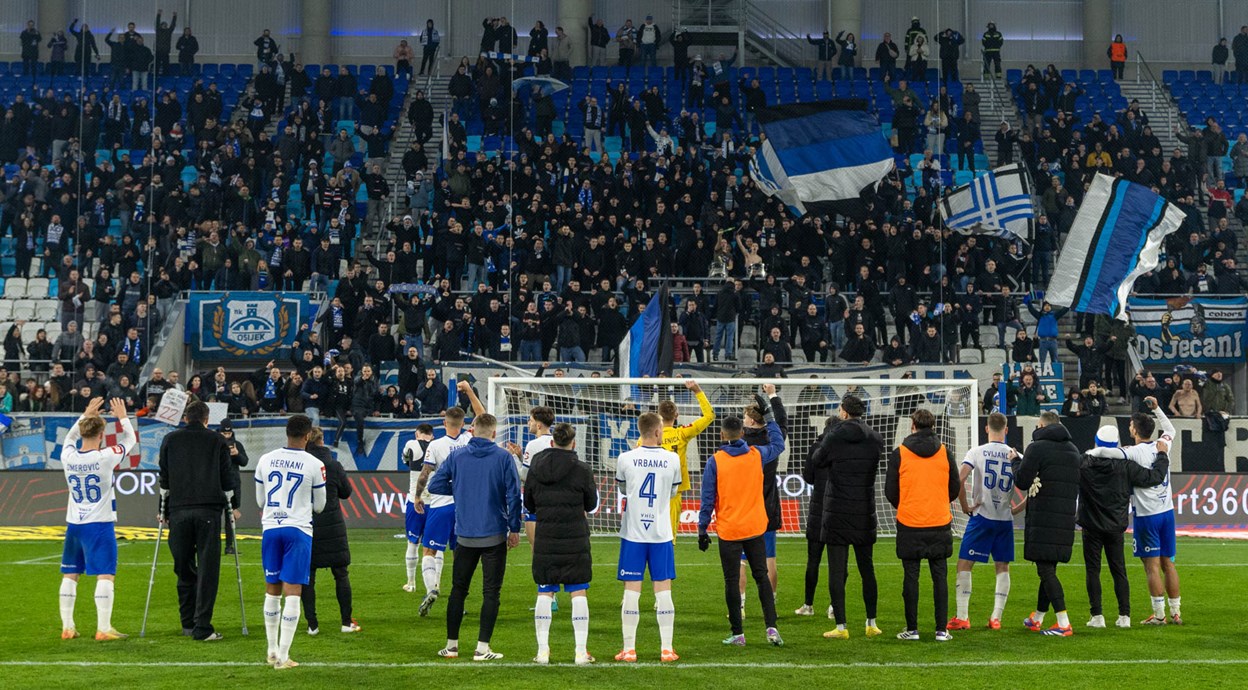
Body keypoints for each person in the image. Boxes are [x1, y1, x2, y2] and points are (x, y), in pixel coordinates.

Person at [428, 413, 522, 661]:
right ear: (493, 433)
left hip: (465, 535)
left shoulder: (457, 455)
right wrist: (515, 528)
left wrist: (459, 486)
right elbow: (514, 495)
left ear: (472, 430)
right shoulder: (503, 457)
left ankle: (452, 646)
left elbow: (434, 485)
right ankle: (482, 648)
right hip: (494, 534)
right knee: (491, 592)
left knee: (458, 590)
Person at [1085, 397, 1181, 625]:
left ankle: (1159, 615)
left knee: (1152, 567)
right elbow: (1170, 428)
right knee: (1169, 563)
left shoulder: (1134, 452)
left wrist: (1090, 452)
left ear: (1135, 430)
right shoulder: (1163, 444)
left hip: (1148, 517)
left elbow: (1108, 453)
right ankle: (1176, 611)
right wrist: (1157, 407)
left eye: (1130, 425)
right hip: (1167, 512)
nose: (1129, 428)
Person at [698, 401, 787, 648]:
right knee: (761, 577)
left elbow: (707, 499)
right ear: (743, 433)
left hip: (729, 530)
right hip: (755, 527)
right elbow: (779, 444)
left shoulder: (715, 461)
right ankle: (772, 629)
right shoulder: (756, 455)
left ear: (722, 435)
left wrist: (702, 529)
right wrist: (769, 417)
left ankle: (738, 633)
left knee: (731, 581)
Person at [806, 395, 885, 638]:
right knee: (867, 568)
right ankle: (871, 623)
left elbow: (817, 460)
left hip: (837, 508)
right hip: (864, 507)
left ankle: (841, 627)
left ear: (843, 412)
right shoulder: (875, 437)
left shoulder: (835, 434)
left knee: (836, 570)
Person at [58, 397, 134, 641]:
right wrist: (122, 416)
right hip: (99, 524)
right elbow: (130, 441)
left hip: (74, 525)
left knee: (70, 574)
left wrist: (84, 414)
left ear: (82, 432)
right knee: (105, 574)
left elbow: (69, 439)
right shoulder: (105, 456)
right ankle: (104, 628)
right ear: (102, 434)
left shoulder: (68, 456)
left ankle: (68, 627)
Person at [255, 414, 326, 670]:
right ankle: (284, 657)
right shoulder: (314, 464)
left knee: (271, 589)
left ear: (286, 432)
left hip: (271, 529)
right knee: (293, 593)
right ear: (308, 436)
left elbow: (261, 502)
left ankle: (271, 650)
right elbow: (320, 506)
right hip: (298, 530)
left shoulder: (265, 459)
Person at [158, 400, 233, 641]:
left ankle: (188, 622)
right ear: (206, 419)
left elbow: (164, 480)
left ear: (185, 418)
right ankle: (202, 625)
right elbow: (227, 478)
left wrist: (164, 510)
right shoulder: (217, 440)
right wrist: (233, 506)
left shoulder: (170, 440)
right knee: (208, 569)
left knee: (183, 566)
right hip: (208, 511)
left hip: (179, 511)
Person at [525, 423, 598, 665]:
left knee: (545, 591)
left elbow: (530, 504)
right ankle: (580, 652)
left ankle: (542, 652)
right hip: (574, 539)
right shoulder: (582, 470)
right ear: (573, 443)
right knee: (578, 591)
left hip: (546, 538)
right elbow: (590, 505)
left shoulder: (535, 467)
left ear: (552, 441)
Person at [947, 413, 1026, 632]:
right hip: (1004, 519)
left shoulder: (977, 452)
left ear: (986, 429)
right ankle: (996, 618)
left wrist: (964, 504)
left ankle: (962, 617)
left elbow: (959, 479)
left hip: (981, 516)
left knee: (964, 564)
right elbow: (1034, 485)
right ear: (1007, 430)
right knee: (1002, 566)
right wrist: (1017, 508)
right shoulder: (1016, 455)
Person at [885, 409, 959, 641]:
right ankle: (941, 629)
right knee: (940, 577)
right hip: (939, 521)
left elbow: (890, 491)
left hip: (910, 522)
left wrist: (907, 503)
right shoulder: (945, 453)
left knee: (911, 577)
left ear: (912, 425)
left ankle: (913, 628)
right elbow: (954, 487)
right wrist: (938, 502)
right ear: (934, 426)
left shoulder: (901, 453)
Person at [615, 412, 682, 663]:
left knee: (632, 592)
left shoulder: (625, 458)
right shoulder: (672, 458)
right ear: (657, 432)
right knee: (663, 592)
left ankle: (629, 649)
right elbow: (674, 491)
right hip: (661, 534)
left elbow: (623, 488)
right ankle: (667, 649)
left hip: (633, 533)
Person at [412, 382, 484, 616]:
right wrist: (470, 392)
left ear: (445, 423)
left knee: (429, 552)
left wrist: (417, 497)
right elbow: (483, 417)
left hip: (440, 506)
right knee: (460, 554)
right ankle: (458, 600)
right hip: (465, 508)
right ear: (463, 424)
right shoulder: (469, 440)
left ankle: (432, 588)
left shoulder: (435, 445)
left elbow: (425, 473)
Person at [1015, 410, 1081, 637]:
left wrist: (1016, 461)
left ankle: (1063, 622)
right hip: (1064, 518)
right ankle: (1039, 617)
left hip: (1044, 517)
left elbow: (1022, 480)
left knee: (1045, 569)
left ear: (1041, 425)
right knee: (1048, 567)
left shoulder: (1037, 448)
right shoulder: (1073, 450)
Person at [737, 385, 786, 616]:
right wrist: (773, 397)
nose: (743, 420)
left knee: (741, 560)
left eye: (745, 417)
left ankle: (741, 606)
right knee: (769, 559)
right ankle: (772, 604)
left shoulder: (740, 443)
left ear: (752, 422)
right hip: (768, 507)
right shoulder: (772, 441)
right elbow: (782, 424)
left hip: (745, 508)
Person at [302, 428, 356, 635]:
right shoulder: (334, 465)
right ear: (322, 441)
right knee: (341, 574)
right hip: (334, 525)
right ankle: (345, 622)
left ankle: (312, 625)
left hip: (308, 525)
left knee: (308, 577)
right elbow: (346, 492)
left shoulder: (303, 464)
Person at [655, 380, 715, 536]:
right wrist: (697, 391)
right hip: (674, 492)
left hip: (651, 493)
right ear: (676, 415)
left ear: (658, 416)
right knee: (669, 538)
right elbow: (709, 416)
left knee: (648, 537)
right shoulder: (681, 434)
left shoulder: (647, 438)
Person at [402, 423, 435, 592]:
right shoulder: (438, 445)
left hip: (415, 500)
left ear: (417, 433)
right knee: (435, 546)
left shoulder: (411, 444)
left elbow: (405, 459)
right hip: (435, 503)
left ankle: (411, 582)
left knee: (412, 543)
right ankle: (435, 584)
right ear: (432, 435)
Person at [518, 406, 556, 549]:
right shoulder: (558, 441)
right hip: (556, 501)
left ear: (538, 425)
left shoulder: (533, 445)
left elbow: (525, 476)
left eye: (531, 420)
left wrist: (514, 461)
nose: (529, 423)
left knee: (536, 548)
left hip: (537, 501)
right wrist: (521, 457)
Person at [220, 420, 249, 556]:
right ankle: (214, 545)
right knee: (215, 515)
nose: (227, 436)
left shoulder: (237, 445)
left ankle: (229, 546)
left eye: (229, 433)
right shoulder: (216, 444)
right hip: (218, 483)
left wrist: (236, 454)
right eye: (224, 433)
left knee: (230, 516)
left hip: (233, 482)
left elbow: (244, 462)